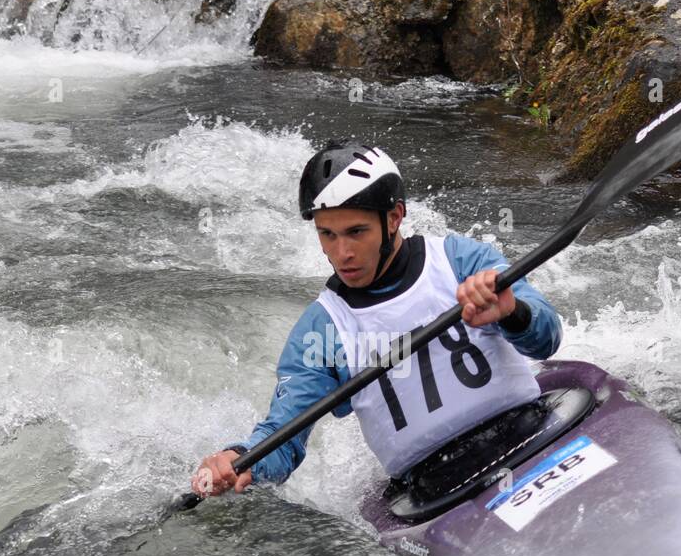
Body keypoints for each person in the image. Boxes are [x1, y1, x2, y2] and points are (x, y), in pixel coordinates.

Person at [191, 140, 563, 496]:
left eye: (356, 232)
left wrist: (513, 313)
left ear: (395, 217)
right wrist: (241, 460)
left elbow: (547, 339)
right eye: (327, 234)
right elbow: (283, 437)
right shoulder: (324, 328)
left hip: (531, 433)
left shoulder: (460, 262)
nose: (342, 252)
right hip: (433, 488)